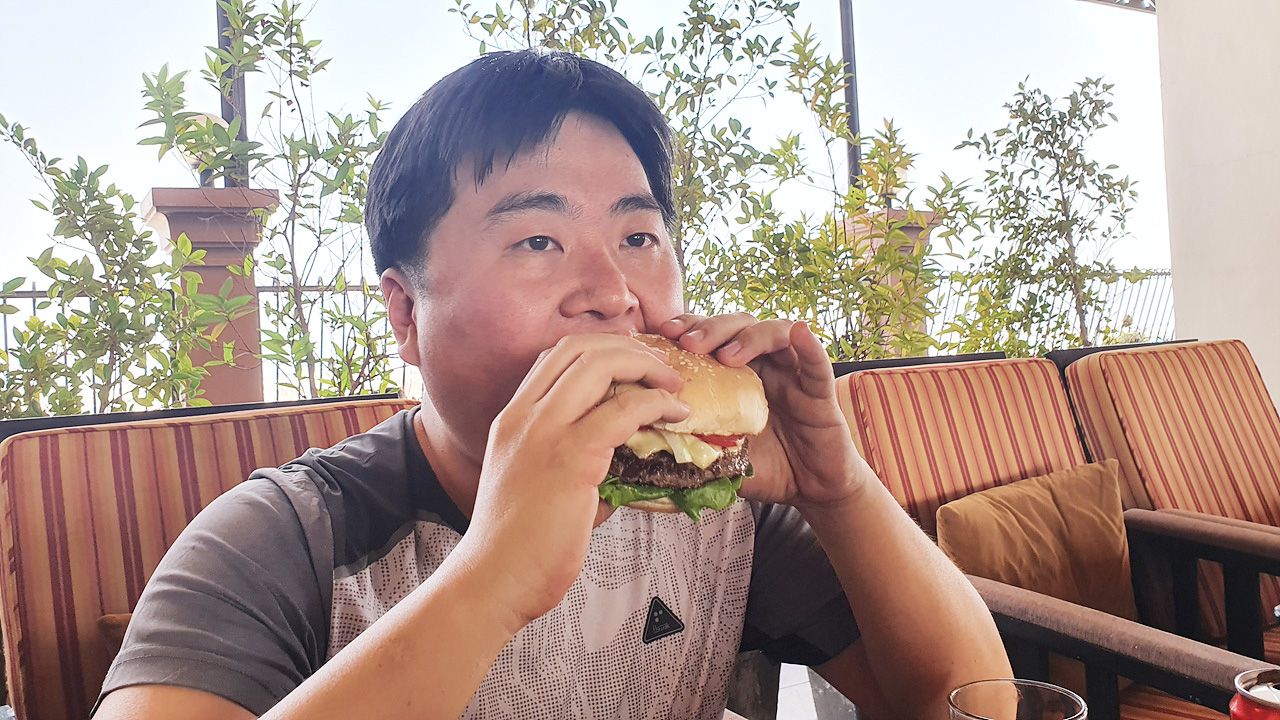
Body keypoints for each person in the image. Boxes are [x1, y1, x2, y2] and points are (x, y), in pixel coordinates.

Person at [94, 50, 1010, 720]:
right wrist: (495, 576)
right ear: (405, 314)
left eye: (639, 237)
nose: (613, 292)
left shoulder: (712, 506)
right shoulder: (287, 537)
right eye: (539, 240)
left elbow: (972, 703)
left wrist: (839, 491)